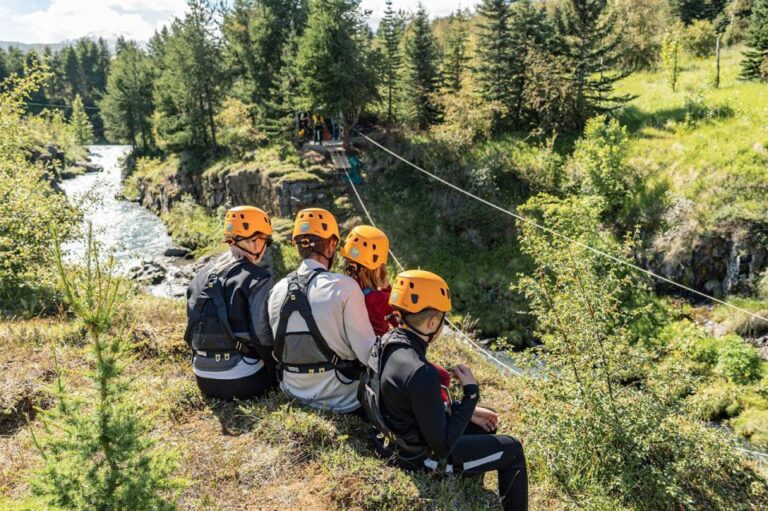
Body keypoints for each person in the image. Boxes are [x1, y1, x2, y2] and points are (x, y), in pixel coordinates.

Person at [361, 270, 529, 511]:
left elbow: (418, 407)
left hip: (391, 441)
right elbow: (442, 446)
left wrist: (465, 411)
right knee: (513, 450)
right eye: (442, 319)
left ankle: (470, 483)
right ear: (432, 322)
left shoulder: (385, 342)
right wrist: (470, 394)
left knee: (482, 421)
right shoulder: (421, 372)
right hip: (419, 461)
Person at [267, 208, 376, 413]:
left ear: (298, 247)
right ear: (332, 244)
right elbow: (367, 355)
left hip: (293, 395)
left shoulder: (276, 290)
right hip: (343, 400)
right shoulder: (345, 286)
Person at [340, 225, 453, 407]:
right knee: (442, 377)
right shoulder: (379, 299)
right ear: (378, 267)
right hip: (383, 356)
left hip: (354, 357)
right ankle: (442, 407)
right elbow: (400, 314)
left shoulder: (347, 287)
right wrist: (385, 285)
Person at [184, 206, 277, 400]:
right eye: (265, 241)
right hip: (243, 381)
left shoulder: (200, 276)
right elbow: (262, 335)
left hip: (203, 379)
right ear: (254, 241)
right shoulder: (258, 278)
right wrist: (277, 367)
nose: (265, 247)